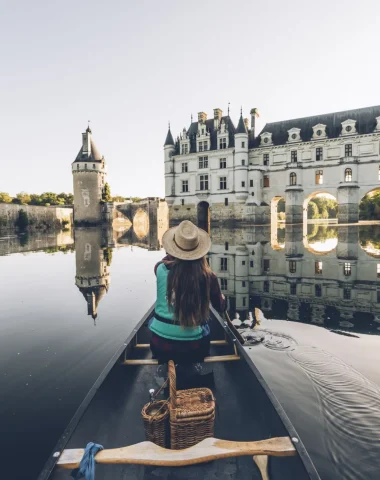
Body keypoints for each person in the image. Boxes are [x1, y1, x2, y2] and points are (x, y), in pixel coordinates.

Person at [149, 220, 226, 365]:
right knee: (205, 326)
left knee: (152, 322)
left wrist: (172, 254)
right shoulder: (209, 277)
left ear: (172, 249)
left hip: (159, 347)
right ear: (200, 251)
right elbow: (220, 307)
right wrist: (222, 299)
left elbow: (167, 264)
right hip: (194, 349)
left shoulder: (159, 268)